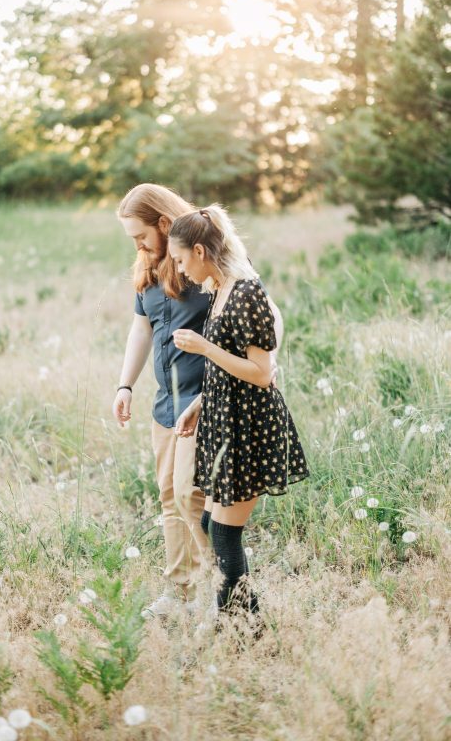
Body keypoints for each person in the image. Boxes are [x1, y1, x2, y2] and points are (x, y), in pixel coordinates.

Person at [113, 184, 284, 618]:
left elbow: (266, 320)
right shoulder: (150, 266)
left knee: (194, 497)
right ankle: (181, 592)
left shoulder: (204, 258)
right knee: (170, 495)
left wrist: (247, 373)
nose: (138, 245)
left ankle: (224, 590)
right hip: (167, 403)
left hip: (208, 398)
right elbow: (142, 327)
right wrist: (125, 385)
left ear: (164, 224)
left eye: (141, 235)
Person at [168, 204, 309, 633]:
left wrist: (203, 347)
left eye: (178, 260)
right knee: (212, 523)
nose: (179, 269)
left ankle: (243, 632)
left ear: (199, 250)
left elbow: (262, 374)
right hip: (223, 419)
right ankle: (246, 623)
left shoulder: (246, 290)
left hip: (250, 427)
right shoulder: (220, 288)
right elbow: (225, 369)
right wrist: (198, 403)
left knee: (226, 536)